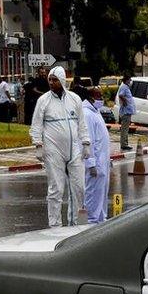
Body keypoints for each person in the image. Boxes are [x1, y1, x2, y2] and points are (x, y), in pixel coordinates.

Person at [30, 66, 92, 228]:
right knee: (56, 188)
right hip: (53, 150)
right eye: (50, 79)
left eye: (55, 80)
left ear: (62, 81)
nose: (51, 82)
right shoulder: (43, 101)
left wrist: (85, 142)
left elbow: (81, 124)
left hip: (74, 150)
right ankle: (55, 225)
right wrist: (38, 143)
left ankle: (76, 223)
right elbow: (36, 124)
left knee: (79, 188)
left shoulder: (74, 100)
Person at [82, 87, 111, 223]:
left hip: (102, 162)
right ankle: (91, 221)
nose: (101, 100)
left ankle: (101, 220)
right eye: (99, 97)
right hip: (95, 165)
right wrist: (91, 163)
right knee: (93, 195)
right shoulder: (87, 114)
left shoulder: (95, 111)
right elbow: (89, 141)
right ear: (91, 98)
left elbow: (101, 138)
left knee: (101, 194)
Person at [116, 74, 135, 151]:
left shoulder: (125, 87)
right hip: (125, 111)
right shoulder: (124, 87)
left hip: (127, 111)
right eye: (130, 80)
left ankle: (125, 143)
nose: (130, 81)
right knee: (125, 129)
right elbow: (121, 95)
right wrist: (125, 102)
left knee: (126, 128)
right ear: (126, 80)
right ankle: (124, 144)